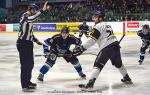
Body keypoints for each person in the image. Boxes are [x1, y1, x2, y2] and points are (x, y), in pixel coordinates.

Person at [73, 11, 132, 91]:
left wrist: (82, 48)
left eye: (96, 17)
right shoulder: (107, 25)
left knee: (97, 65)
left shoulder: (98, 26)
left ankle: (90, 85)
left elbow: (92, 40)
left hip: (107, 47)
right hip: (115, 46)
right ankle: (127, 77)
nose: (94, 19)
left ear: (100, 18)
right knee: (119, 64)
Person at [16, 2, 49, 92]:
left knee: (30, 64)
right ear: (30, 9)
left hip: (28, 43)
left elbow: (30, 33)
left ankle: (28, 81)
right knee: (25, 65)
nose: (35, 12)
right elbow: (32, 18)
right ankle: (24, 85)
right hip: (23, 43)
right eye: (35, 10)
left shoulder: (29, 19)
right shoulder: (25, 16)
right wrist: (42, 10)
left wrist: (36, 40)